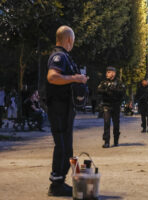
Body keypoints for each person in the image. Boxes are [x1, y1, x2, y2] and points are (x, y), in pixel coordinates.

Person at [46, 25, 88, 197]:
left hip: (64, 107)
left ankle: (60, 181)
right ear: (69, 40)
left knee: (66, 145)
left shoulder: (65, 57)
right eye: (73, 41)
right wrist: (76, 78)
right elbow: (52, 77)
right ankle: (56, 184)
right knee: (62, 145)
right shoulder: (59, 56)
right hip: (58, 107)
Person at [97, 66, 126, 148]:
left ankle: (116, 140)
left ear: (113, 73)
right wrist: (106, 91)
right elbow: (98, 90)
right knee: (106, 123)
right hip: (107, 105)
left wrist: (115, 90)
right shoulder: (104, 82)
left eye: (109, 72)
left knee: (116, 124)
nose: (107, 73)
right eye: (107, 72)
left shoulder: (119, 82)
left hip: (116, 105)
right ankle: (106, 142)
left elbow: (123, 92)